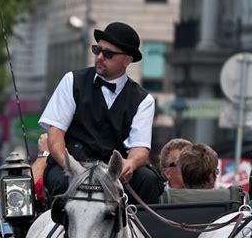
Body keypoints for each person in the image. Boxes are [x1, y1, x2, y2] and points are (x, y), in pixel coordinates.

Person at [39, 21, 163, 203]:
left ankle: (141, 231)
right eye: (98, 50)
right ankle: (62, 230)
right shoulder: (72, 81)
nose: (100, 57)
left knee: (148, 180)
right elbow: (55, 134)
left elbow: (140, 149)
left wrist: (130, 163)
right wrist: (70, 166)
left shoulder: (143, 100)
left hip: (114, 171)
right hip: (73, 165)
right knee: (62, 183)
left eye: (108, 54)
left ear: (127, 60)